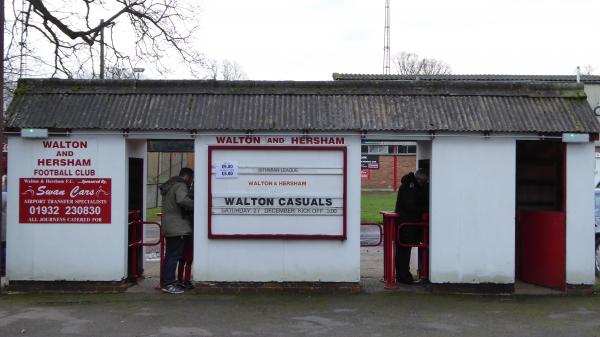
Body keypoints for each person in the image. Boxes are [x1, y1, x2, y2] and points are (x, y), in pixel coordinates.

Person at [160, 167, 194, 294]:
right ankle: (168, 284)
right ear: (187, 177)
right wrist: (198, 204)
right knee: (173, 256)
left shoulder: (171, 186)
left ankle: (166, 282)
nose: (191, 183)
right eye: (191, 179)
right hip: (177, 227)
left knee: (170, 256)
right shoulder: (180, 185)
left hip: (170, 226)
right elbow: (182, 200)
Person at [394, 168, 429, 284]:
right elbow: (410, 207)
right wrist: (426, 209)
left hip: (405, 224)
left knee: (403, 250)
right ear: (420, 180)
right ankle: (404, 277)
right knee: (404, 250)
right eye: (424, 182)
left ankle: (403, 275)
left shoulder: (408, 186)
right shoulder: (410, 188)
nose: (424, 185)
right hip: (406, 224)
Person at [177, 183, 194, 289]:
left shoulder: (182, 203)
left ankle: (179, 280)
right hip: (191, 232)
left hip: (183, 232)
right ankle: (186, 281)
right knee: (189, 259)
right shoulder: (192, 203)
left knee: (182, 259)